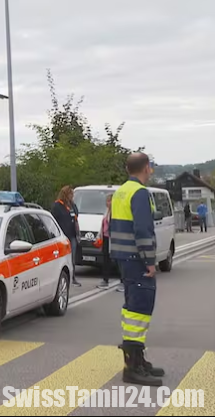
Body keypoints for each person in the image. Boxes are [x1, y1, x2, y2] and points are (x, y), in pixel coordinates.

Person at [110, 152, 164, 386]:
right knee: (140, 309)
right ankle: (132, 368)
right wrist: (150, 261)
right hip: (137, 258)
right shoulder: (140, 193)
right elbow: (143, 230)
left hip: (123, 257)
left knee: (132, 308)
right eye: (150, 167)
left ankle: (137, 360)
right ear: (146, 168)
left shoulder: (121, 191)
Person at [51, 186, 81, 287]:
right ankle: (62, 278)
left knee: (72, 258)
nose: (72, 196)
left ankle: (73, 277)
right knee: (63, 259)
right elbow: (54, 220)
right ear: (65, 194)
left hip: (72, 235)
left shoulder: (72, 205)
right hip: (62, 236)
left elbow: (76, 214)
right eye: (70, 194)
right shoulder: (57, 205)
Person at [97, 194, 114, 289]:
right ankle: (105, 279)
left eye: (109, 201)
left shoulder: (115, 212)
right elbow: (103, 225)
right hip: (105, 237)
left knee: (114, 259)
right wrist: (99, 235)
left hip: (112, 238)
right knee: (105, 259)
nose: (108, 203)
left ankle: (122, 280)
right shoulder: (106, 211)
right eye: (107, 201)